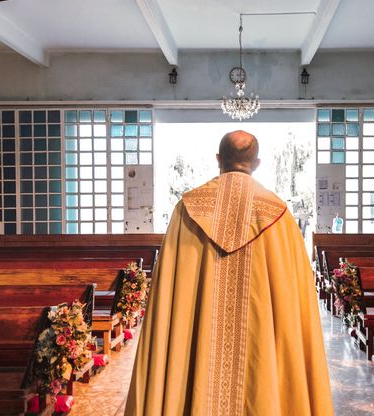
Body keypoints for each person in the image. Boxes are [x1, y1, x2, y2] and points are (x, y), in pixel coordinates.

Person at [125, 130, 334, 415]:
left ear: (218, 159)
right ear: (257, 163)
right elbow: (295, 303)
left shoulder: (187, 210)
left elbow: (168, 296)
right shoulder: (279, 215)